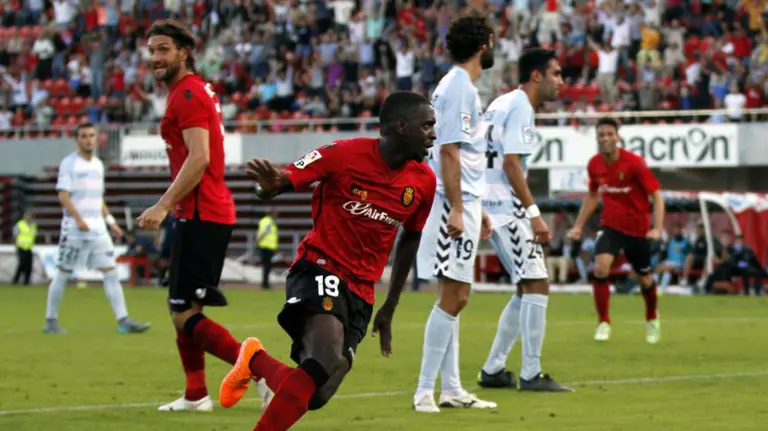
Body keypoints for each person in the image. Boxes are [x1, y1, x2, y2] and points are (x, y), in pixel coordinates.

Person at [218, 91, 437, 431]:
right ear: (400, 126)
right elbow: (281, 181)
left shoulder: (424, 181)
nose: (433, 134)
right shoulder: (344, 153)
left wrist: (390, 305)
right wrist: (267, 188)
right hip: (321, 265)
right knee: (325, 358)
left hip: (362, 291)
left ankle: (254, 359)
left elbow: (411, 237)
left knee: (316, 394)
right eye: (427, 126)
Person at [136, 19, 271, 413]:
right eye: (152, 50)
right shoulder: (190, 90)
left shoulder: (189, 94)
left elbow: (200, 158)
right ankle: (196, 394)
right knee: (181, 307)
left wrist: (162, 205)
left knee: (183, 313)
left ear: (184, 52)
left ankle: (258, 366)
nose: (156, 57)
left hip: (201, 212)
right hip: (199, 211)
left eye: (164, 49)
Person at [412, 14, 497, 413]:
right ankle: (425, 390)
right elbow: (448, 149)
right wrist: (461, 207)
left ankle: (452, 388)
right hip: (451, 199)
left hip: (461, 197)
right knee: (456, 294)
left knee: (455, 294)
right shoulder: (461, 87)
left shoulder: (453, 84)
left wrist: (475, 205)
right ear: (485, 45)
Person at [476, 48, 571, 392]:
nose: (561, 81)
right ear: (537, 76)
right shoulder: (520, 107)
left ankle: (493, 369)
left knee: (527, 285)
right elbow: (513, 164)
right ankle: (530, 374)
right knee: (537, 282)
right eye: (556, 73)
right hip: (505, 208)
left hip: (491, 203)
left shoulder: (502, 103)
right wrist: (534, 214)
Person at [43, 123, 150, 335]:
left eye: (92, 135)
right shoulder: (69, 164)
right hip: (74, 229)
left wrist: (111, 222)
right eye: (84, 136)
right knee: (63, 272)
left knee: (110, 271)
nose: (88, 139)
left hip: (98, 229)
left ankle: (123, 320)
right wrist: (79, 219)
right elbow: (63, 196)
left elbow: (98, 199)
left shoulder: (98, 165)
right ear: (77, 139)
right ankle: (51, 320)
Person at [567, 117, 665, 344]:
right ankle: (603, 322)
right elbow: (592, 195)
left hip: (638, 229)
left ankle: (652, 317)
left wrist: (658, 228)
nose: (606, 138)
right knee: (600, 269)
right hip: (610, 226)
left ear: (618, 137)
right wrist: (579, 225)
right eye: (602, 135)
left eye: (610, 134)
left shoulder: (635, 164)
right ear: (597, 138)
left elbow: (657, 196)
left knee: (645, 279)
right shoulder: (594, 165)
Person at [653, 223, 690, 292]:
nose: (676, 231)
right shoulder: (670, 240)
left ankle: (661, 289)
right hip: (669, 262)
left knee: (667, 269)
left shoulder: (686, 242)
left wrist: (682, 250)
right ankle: (653, 288)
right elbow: (663, 251)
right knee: (658, 268)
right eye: (674, 229)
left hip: (679, 264)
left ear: (681, 230)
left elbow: (690, 253)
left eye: (678, 229)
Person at [256, 208, 279, 289]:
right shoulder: (269, 222)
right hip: (267, 246)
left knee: (266, 266)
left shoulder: (265, 221)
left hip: (266, 246)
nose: (277, 215)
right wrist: (258, 241)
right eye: (275, 213)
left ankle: (265, 283)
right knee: (267, 266)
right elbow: (265, 232)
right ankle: (265, 284)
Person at [12, 210, 37, 285]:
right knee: (22, 264)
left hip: (29, 248)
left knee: (29, 265)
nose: (29, 217)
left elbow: (33, 236)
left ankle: (26, 281)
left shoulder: (33, 225)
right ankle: (15, 280)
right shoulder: (20, 224)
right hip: (21, 247)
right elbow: (15, 234)